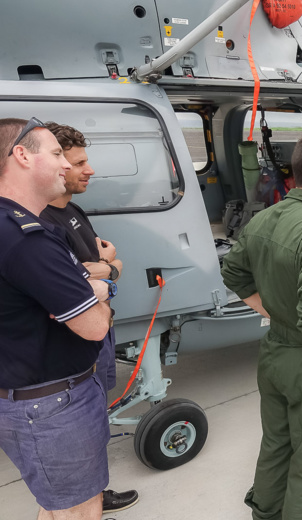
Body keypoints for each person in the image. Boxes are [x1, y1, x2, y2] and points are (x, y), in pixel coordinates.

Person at [221, 132, 302, 519]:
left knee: (277, 442)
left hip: (273, 354)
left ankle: (265, 512)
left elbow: (234, 272)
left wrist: (271, 312)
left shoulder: (267, 217)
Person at [0, 118, 113, 519]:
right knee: (78, 511)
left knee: (59, 507)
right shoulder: (25, 238)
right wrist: (102, 289)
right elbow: (95, 324)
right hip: (51, 406)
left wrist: (89, 287)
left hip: (35, 398)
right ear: (22, 156)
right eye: (55, 154)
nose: (65, 166)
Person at [38, 123, 139, 513]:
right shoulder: (41, 221)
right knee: (83, 422)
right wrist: (110, 267)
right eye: (79, 162)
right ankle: (87, 497)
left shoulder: (73, 211)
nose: (89, 169)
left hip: (99, 337)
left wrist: (100, 265)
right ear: (58, 165)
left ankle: (95, 489)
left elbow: (89, 263)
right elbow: (82, 271)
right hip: (75, 344)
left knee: (96, 415)